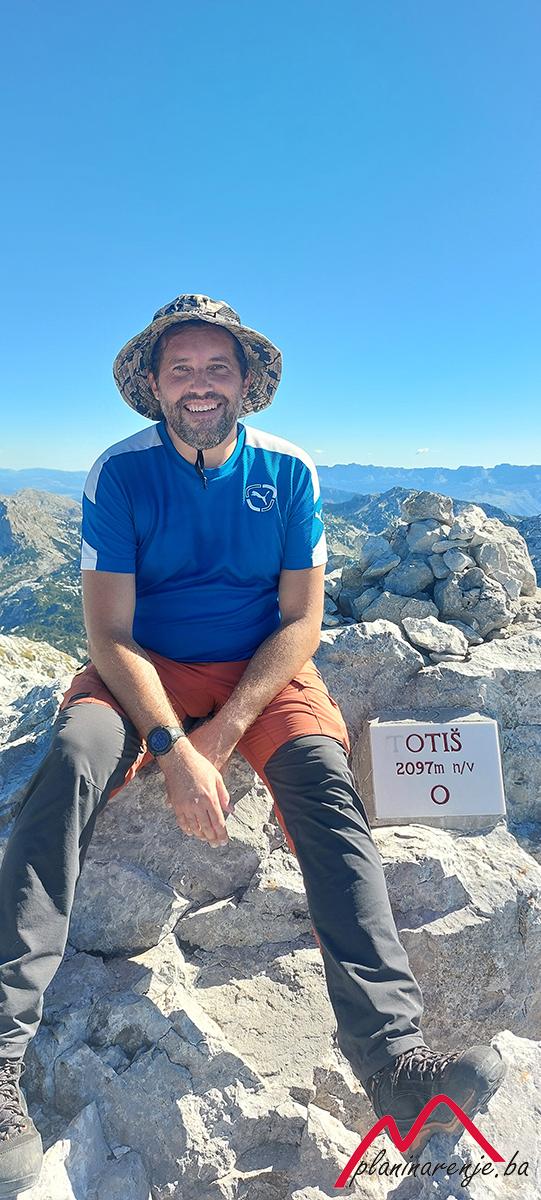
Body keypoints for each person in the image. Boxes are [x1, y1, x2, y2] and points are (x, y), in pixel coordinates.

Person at [0, 293, 505, 1193]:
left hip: (261, 670)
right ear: (153, 383)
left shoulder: (289, 469)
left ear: (246, 382)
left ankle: (395, 1064)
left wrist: (224, 734)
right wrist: (172, 747)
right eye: (181, 368)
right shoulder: (119, 472)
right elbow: (108, 633)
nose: (199, 384)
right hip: (143, 663)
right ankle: (3, 1050)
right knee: (73, 758)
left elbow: (302, 619)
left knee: (325, 793)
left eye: (217, 367)